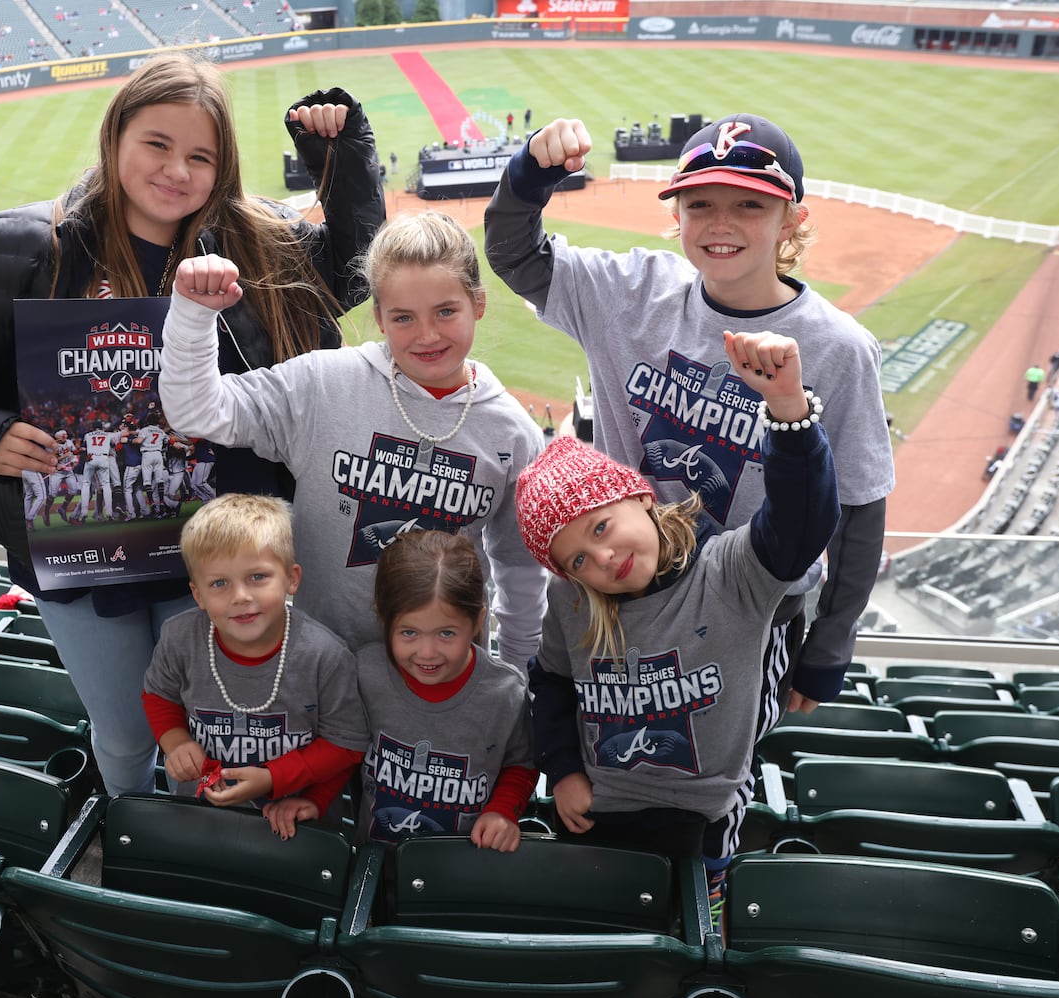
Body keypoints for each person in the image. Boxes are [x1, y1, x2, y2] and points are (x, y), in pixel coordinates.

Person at [0, 54, 385, 796]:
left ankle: (189, 853)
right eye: (157, 144)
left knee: (210, 735)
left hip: (220, 549)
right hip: (82, 555)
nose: (176, 170)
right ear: (116, 136)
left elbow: (352, 271)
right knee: (122, 732)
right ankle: (130, 830)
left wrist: (338, 156)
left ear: (224, 165)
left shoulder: (259, 240)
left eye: (200, 156)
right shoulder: (15, 246)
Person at [484, 113, 892, 916]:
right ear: (674, 215)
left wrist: (827, 645)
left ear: (792, 219)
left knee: (710, 774)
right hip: (616, 579)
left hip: (748, 599)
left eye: (747, 205)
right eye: (699, 204)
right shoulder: (629, 289)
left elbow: (860, 506)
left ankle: (704, 885)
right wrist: (530, 175)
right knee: (611, 754)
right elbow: (513, 252)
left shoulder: (836, 349)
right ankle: (604, 881)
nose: (719, 225)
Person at [159, 210, 547, 669]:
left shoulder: (513, 434)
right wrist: (192, 314)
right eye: (403, 317)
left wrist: (520, 676)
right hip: (318, 674)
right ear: (379, 316)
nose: (427, 335)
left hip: (438, 687)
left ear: (478, 303)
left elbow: (520, 570)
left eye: (446, 311)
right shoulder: (324, 383)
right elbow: (197, 411)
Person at [515, 332, 838, 868]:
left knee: (692, 938)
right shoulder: (572, 602)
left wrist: (788, 410)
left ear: (640, 496)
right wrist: (564, 769)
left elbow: (803, 521)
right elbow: (550, 682)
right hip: (598, 809)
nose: (602, 559)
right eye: (576, 560)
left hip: (704, 818)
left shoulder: (729, 572)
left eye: (601, 527)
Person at [141, 494, 367, 836]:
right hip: (200, 818)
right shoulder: (179, 637)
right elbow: (159, 696)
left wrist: (286, 784)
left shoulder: (325, 655)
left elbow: (346, 743)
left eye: (258, 577)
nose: (241, 596)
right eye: (220, 583)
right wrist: (175, 742)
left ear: (291, 579)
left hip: (294, 825)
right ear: (198, 594)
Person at [356, 529, 535, 851]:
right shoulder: (366, 672)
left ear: (478, 621)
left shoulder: (506, 692)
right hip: (374, 865)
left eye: (447, 633)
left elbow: (522, 763)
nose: (427, 653)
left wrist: (502, 811)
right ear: (383, 616)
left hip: (462, 870)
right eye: (409, 632)